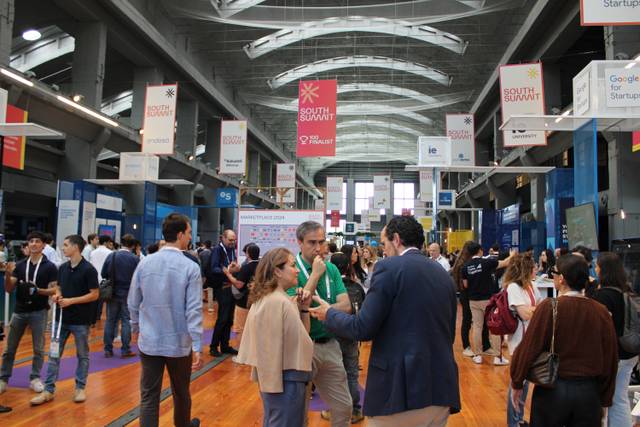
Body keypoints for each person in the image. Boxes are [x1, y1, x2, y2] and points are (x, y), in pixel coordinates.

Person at [311, 216, 460, 426]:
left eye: (383, 244)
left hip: (400, 390)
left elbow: (363, 328)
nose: (384, 250)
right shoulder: (443, 274)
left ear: (396, 239)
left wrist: (329, 314)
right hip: (441, 387)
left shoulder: (389, 268)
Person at [510, 255, 618, 426]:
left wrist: (517, 382)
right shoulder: (601, 312)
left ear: (561, 279)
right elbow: (610, 358)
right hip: (589, 393)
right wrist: (605, 398)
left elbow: (529, 348)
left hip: (552, 391)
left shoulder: (549, 308)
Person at [128, 213, 202, 427]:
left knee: (149, 396)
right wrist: (197, 343)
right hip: (179, 344)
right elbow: (194, 310)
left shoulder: (145, 264)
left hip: (150, 341)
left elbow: (133, 301)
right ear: (180, 235)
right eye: (188, 233)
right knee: (181, 393)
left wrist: (135, 326)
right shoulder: (191, 267)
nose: (190, 237)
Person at [236, 248, 313, 426]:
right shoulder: (275, 301)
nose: (297, 270)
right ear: (277, 271)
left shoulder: (279, 298)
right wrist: (272, 389)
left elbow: (302, 335)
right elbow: (268, 351)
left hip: (288, 378)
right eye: (293, 266)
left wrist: (303, 309)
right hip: (284, 380)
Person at [288, 221, 353, 427]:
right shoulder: (292, 270)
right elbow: (294, 308)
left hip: (331, 345)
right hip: (302, 347)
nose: (318, 248)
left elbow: (347, 306)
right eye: (312, 242)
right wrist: (315, 274)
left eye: (322, 242)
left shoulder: (332, 268)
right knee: (297, 411)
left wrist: (326, 310)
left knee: (344, 405)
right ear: (299, 242)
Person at [30, 234, 99, 406]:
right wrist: (58, 296)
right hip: (61, 320)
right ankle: (48, 390)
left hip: (80, 321)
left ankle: (80, 387)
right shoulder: (62, 268)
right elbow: (59, 287)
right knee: (54, 355)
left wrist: (71, 301)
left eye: (66, 244)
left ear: (76, 247)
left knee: (82, 355)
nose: (63, 247)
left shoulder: (89, 269)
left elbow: (94, 294)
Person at [0, 231, 58, 395]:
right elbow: (9, 288)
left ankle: (34, 378)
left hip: (39, 312)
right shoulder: (19, 265)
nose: (33, 244)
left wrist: (38, 290)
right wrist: (8, 274)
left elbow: (54, 289)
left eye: (37, 241)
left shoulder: (50, 267)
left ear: (43, 245)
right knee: (9, 348)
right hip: (19, 311)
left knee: (38, 349)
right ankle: (3, 379)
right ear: (27, 245)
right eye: (30, 241)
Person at [592, 252, 638, 427]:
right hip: (630, 352)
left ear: (603, 270)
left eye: (597, 266)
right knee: (620, 398)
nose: (595, 269)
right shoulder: (627, 290)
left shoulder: (603, 296)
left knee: (609, 400)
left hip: (614, 355)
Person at [324, 252, 366, 423]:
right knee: (351, 373)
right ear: (349, 266)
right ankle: (355, 410)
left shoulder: (329, 287)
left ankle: (335, 410)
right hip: (351, 334)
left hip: (331, 335)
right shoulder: (357, 287)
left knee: (333, 375)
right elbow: (363, 309)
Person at [503, 253, 540, 427]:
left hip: (530, 340)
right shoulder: (513, 288)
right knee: (518, 383)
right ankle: (513, 421)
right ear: (527, 270)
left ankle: (518, 419)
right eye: (534, 267)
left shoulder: (532, 286)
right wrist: (535, 310)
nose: (537, 269)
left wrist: (532, 310)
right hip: (519, 342)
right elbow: (525, 314)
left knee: (524, 383)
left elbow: (539, 307)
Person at [461, 241, 513, 365]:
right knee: (493, 327)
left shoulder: (466, 266)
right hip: (487, 300)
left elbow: (465, 285)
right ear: (480, 251)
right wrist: (512, 255)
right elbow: (505, 263)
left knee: (477, 327)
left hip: (473, 300)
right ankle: (497, 357)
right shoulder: (486, 262)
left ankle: (478, 356)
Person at [101, 234, 140, 358]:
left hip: (112, 293)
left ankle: (108, 349)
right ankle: (125, 349)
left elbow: (103, 273)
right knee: (126, 321)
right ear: (133, 246)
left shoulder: (112, 256)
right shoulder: (135, 259)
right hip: (128, 294)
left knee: (110, 321)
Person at [451, 241, 491, 358]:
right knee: (469, 320)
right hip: (468, 294)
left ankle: (485, 345)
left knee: (477, 322)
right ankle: (467, 346)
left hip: (470, 294)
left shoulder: (463, 262)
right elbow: (463, 283)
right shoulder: (464, 264)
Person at [224, 243, 260, 359]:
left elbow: (239, 284)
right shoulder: (262, 266)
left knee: (240, 328)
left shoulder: (246, 267)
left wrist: (228, 274)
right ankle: (254, 354)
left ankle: (242, 355)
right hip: (258, 301)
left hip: (244, 302)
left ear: (248, 253)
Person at [208, 229, 240, 357]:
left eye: (234, 240)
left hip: (230, 286)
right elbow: (214, 268)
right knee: (222, 318)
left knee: (229, 319)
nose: (233, 242)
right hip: (222, 287)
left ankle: (225, 345)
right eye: (231, 240)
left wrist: (235, 268)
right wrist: (227, 271)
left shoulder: (231, 250)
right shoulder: (218, 250)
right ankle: (213, 346)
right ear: (223, 238)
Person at [89, 235, 113, 325]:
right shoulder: (110, 253)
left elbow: (91, 265)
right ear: (106, 242)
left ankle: (92, 319)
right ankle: (99, 316)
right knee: (103, 299)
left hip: (94, 277)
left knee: (93, 299)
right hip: (104, 279)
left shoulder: (93, 252)